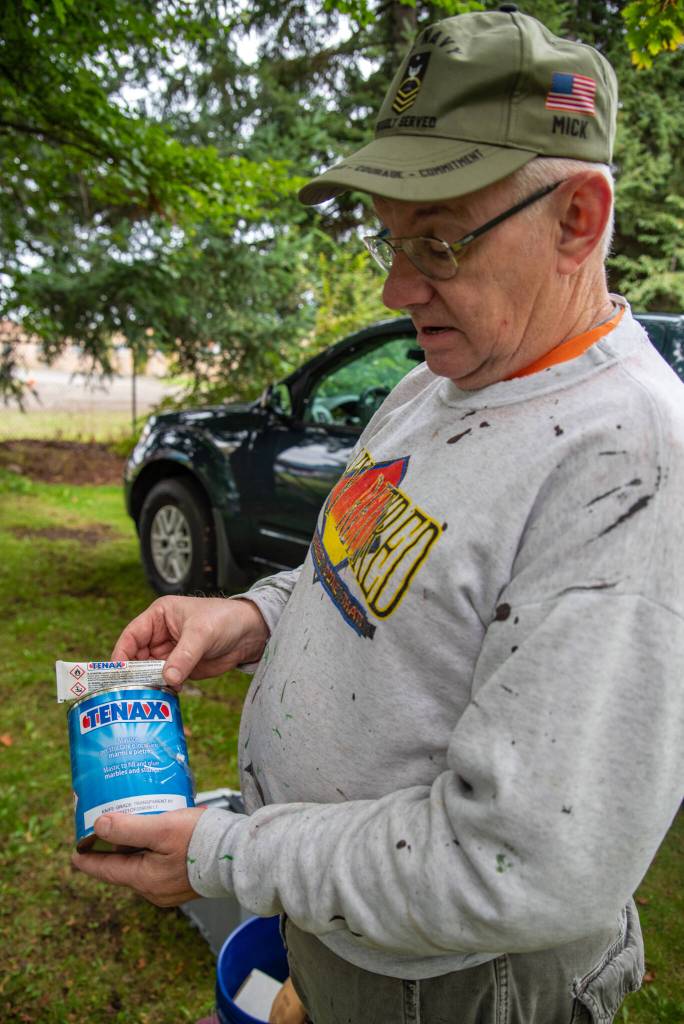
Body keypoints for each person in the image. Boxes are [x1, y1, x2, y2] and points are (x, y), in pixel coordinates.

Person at [73, 7, 684, 1023]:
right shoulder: (438, 382)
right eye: (393, 240)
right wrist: (258, 615)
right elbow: (361, 569)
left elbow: (516, 862)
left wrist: (230, 853)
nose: (400, 288)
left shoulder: (629, 469)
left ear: (578, 217)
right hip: (348, 927)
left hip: (460, 982)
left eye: (439, 242)